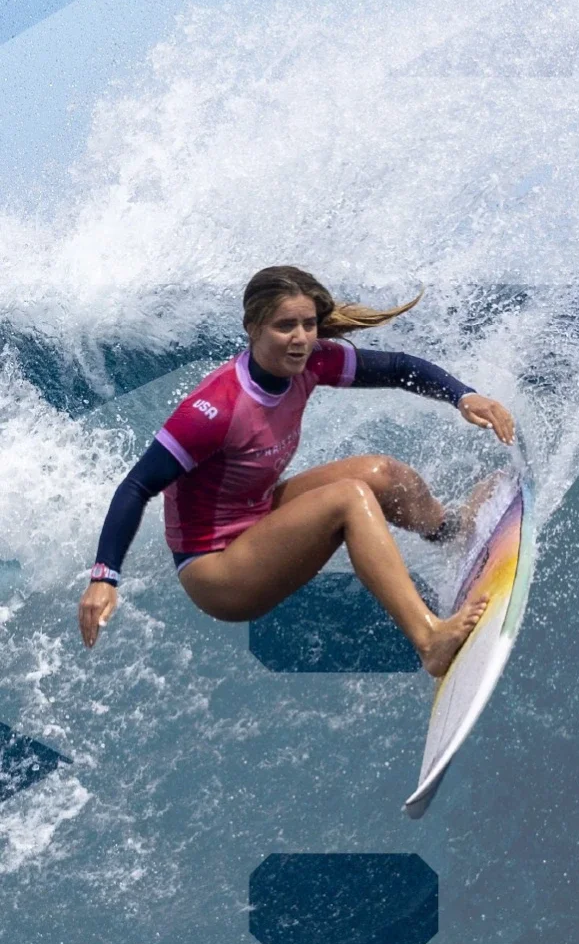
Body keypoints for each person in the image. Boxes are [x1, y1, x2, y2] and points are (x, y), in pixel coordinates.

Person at [79, 267, 515, 676]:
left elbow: (400, 368)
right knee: (349, 496)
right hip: (217, 571)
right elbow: (136, 485)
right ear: (253, 327)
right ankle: (428, 638)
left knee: (380, 473)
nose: (301, 338)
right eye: (285, 326)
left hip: (257, 514)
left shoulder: (309, 363)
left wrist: (464, 397)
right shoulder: (214, 410)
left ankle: (451, 531)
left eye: (308, 324)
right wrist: (104, 577)